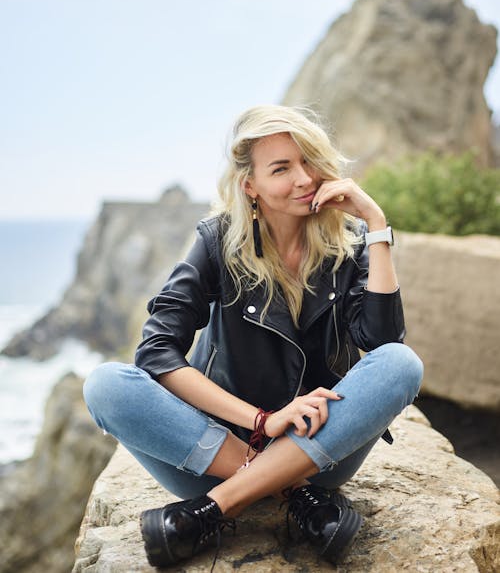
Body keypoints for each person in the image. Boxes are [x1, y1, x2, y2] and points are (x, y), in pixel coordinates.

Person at [83, 104, 423, 569]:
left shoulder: (351, 242)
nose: (304, 179)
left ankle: (211, 512)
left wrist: (376, 224)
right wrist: (264, 421)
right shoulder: (217, 241)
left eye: (309, 161)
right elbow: (157, 352)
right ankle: (295, 495)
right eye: (281, 168)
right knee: (104, 385)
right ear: (250, 186)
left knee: (402, 364)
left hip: (319, 451)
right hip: (215, 451)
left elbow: (382, 340)